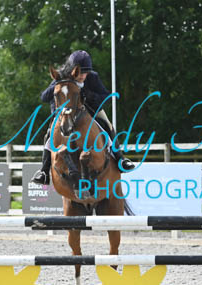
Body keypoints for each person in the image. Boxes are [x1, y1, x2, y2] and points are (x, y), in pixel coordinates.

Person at [31, 50, 134, 185]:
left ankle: (120, 159)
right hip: (64, 112)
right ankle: (44, 171)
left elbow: (106, 96)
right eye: (80, 72)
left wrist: (90, 95)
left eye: (86, 72)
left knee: (107, 125)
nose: (83, 76)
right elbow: (44, 97)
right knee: (50, 133)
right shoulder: (62, 75)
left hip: (90, 109)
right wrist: (58, 83)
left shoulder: (93, 77)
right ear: (72, 70)